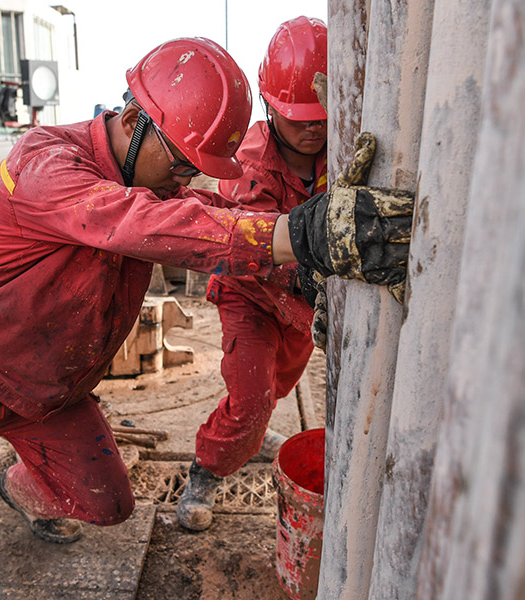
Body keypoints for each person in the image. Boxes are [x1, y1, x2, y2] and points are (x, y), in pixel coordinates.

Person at [0, 34, 410, 569]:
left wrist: (302, 274)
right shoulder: (45, 163)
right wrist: (291, 233)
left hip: (51, 393)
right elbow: (134, 222)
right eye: (183, 165)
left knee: (107, 505)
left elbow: (203, 213)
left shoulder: (144, 176)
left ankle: (20, 484)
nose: (186, 181)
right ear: (136, 123)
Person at [177, 16, 331, 531]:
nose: (312, 127)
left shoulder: (343, 148)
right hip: (252, 294)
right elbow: (251, 250)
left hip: (302, 304)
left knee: (276, 387)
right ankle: (206, 468)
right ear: (269, 105)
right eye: (297, 117)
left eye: (321, 116)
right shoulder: (252, 166)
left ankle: (247, 425)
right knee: (251, 400)